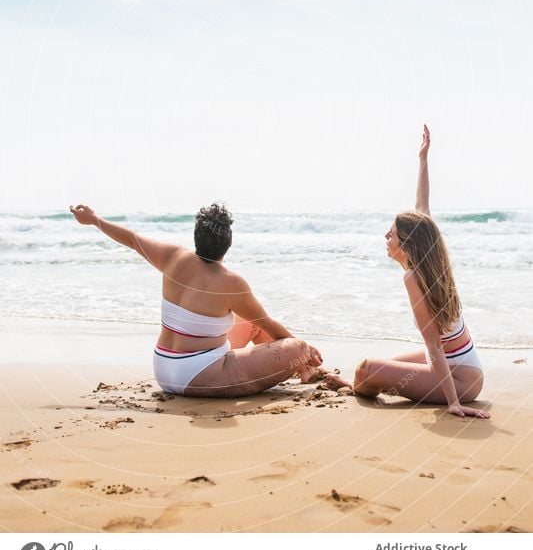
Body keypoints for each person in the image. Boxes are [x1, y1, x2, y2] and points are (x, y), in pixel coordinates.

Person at [70, 202, 322, 397]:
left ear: (196, 237)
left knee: (251, 323)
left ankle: (305, 370)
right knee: (295, 347)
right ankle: (308, 367)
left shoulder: (172, 256)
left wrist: (93, 220)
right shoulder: (231, 283)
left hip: (163, 368)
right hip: (199, 376)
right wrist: (305, 351)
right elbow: (271, 326)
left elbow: (133, 240)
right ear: (229, 242)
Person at [326, 125, 490, 419]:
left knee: (367, 369)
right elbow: (421, 208)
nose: (385, 238)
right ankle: (357, 385)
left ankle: (357, 385)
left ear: (408, 245)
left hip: (460, 381)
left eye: (391, 235)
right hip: (464, 367)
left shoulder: (414, 277)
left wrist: (452, 402)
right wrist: (423, 159)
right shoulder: (430, 260)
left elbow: (434, 347)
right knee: (377, 369)